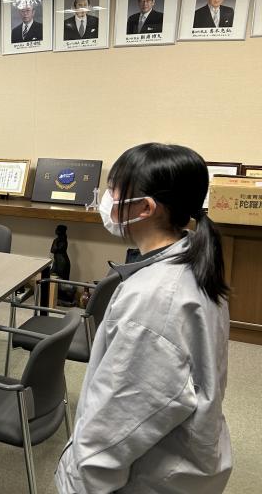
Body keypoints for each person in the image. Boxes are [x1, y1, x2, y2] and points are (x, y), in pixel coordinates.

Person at [55, 143, 232, 493]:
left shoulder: (154, 302)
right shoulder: (192, 260)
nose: (106, 199)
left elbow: (116, 426)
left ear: (145, 208)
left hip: (149, 476)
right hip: (183, 460)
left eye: (113, 190)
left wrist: (74, 485)